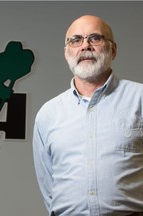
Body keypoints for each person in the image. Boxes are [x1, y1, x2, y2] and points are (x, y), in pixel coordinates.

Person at [33, 15, 143, 216]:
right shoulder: (48, 114)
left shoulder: (140, 99)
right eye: (75, 40)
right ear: (67, 53)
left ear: (113, 50)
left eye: (95, 38)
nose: (85, 46)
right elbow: (47, 182)